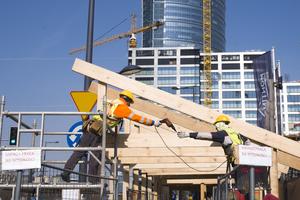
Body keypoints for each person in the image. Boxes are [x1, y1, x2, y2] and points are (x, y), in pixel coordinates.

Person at [61, 90, 165, 182]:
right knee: (89, 153)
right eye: (129, 103)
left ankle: (70, 173)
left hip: (95, 129)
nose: (129, 105)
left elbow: (110, 118)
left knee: (90, 153)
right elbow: (137, 118)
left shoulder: (113, 103)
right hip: (96, 130)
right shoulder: (121, 107)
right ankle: (89, 179)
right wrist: (153, 122)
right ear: (127, 100)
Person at [177, 114, 249, 165]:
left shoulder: (222, 134)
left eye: (216, 126)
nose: (216, 128)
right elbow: (247, 142)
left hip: (236, 163)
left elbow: (205, 135)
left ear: (219, 124)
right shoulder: (237, 134)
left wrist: (188, 134)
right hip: (245, 161)